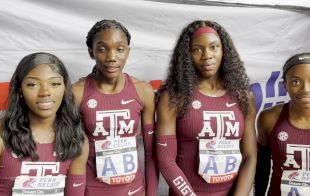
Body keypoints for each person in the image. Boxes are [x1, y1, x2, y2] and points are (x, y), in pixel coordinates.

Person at [155, 20, 257, 196]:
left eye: (213, 47)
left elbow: (250, 157)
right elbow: (166, 160)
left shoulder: (243, 97)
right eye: (197, 49)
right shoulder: (173, 97)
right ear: (187, 55)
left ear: (223, 50)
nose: (206, 55)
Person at [0, 52, 89, 196]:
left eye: (55, 83)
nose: (45, 92)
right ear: (20, 90)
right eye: (32, 84)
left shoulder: (77, 140)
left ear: (65, 89)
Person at [72, 19, 158, 196]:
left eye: (119, 49)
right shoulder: (76, 93)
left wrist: (152, 193)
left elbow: (150, 153)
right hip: (91, 189)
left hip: (133, 190)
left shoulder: (143, 91)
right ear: (91, 52)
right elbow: (71, 154)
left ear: (128, 52)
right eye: (102, 49)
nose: (112, 57)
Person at [255, 52, 310, 196]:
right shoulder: (270, 118)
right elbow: (262, 166)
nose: (305, 89)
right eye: (296, 81)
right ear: (285, 84)